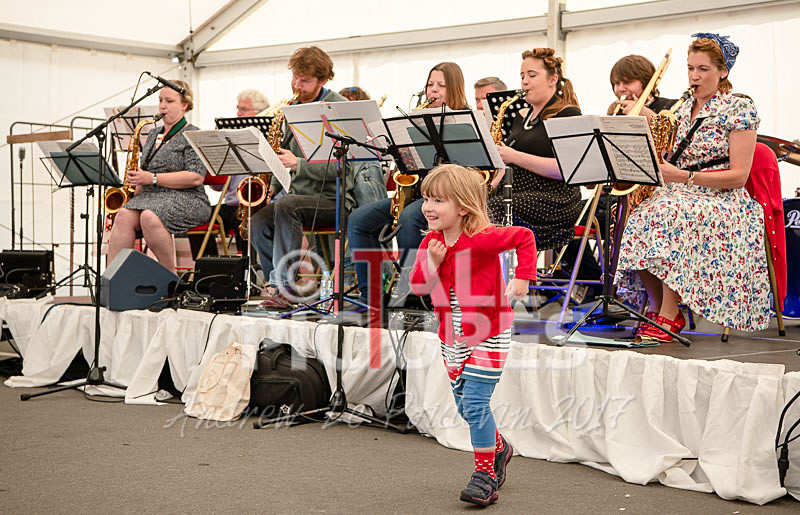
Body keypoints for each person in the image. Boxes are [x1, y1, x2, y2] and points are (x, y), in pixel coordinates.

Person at [614, 33, 771, 342]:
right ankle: (660, 309)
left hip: (726, 201)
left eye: (703, 69)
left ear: (723, 72)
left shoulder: (738, 108)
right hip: (681, 194)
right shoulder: (681, 110)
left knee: (669, 212)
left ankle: (671, 314)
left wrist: (683, 177)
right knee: (638, 215)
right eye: (690, 69)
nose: (694, 76)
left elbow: (739, 176)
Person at [408, 164, 536, 506]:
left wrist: (523, 276)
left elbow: (523, 237)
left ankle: (484, 475)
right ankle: (499, 447)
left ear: (463, 206)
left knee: (476, 404)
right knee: (466, 407)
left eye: (439, 200)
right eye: (426, 199)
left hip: (490, 332)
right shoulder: (429, 244)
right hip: (452, 337)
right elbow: (419, 286)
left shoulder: (483, 238)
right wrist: (433, 263)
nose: (429, 207)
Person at [347, 62, 470, 308]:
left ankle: (418, 294)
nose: (433, 91)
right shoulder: (416, 121)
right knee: (359, 219)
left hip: (451, 198)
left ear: (454, 89)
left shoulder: (466, 120)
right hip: (420, 194)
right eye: (430, 85)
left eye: (441, 86)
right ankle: (371, 298)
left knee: (410, 216)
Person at [251, 46, 356, 308]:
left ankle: (287, 289)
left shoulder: (339, 109)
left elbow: (346, 166)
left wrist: (299, 165)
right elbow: (283, 158)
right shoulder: (289, 109)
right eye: (295, 77)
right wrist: (271, 188)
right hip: (300, 199)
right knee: (259, 221)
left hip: (336, 198)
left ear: (324, 80)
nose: (297, 85)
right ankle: (276, 285)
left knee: (288, 206)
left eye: (305, 80)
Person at [107, 80, 210, 273]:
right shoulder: (153, 134)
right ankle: (112, 280)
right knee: (123, 216)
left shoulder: (194, 134)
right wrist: (133, 185)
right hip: (151, 196)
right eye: (160, 100)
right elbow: (145, 171)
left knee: (149, 217)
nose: (162, 106)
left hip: (188, 198)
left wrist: (152, 178)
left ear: (184, 105)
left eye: (169, 101)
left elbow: (196, 177)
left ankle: (168, 275)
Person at [490, 48, 582, 251]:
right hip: (516, 191)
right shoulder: (520, 116)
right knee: (467, 207)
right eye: (522, 76)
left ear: (552, 79)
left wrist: (515, 156)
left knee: (491, 210)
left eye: (532, 75)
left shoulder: (567, 114)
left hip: (555, 199)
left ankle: (503, 276)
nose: (524, 82)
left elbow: (567, 169)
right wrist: (489, 186)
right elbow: (507, 164)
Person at [202, 89, 271, 258]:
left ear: (260, 114)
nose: (238, 114)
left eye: (244, 109)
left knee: (243, 218)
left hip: (257, 204)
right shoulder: (233, 141)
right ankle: (209, 266)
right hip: (232, 203)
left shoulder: (268, 140)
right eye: (238, 109)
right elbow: (219, 186)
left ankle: (245, 269)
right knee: (200, 216)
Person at [607, 54, 676, 120]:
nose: (621, 88)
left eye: (628, 82)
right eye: (617, 83)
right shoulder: (615, 113)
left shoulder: (672, 107)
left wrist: (645, 112)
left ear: (646, 81)